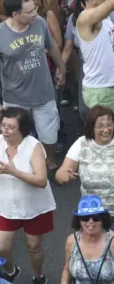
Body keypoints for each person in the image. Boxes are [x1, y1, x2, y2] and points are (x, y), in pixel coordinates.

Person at [55, 105, 114, 249]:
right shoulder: (81, 144)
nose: (106, 129)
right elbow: (60, 173)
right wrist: (64, 176)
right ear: (91, 127)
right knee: (96, 255)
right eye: (100, 126)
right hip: (92, 215)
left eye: (109, 124)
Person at [0, 0, 65, 170]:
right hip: (14, 98)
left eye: (35, 8)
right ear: (15, 15)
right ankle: (20, 167)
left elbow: (51, 47)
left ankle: (49, 162)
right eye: (29, 11)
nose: (35, 13)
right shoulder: (1, 34)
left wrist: (62, 68)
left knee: (49, 134)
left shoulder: (39, 23)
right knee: (15, 136)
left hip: (44, 93)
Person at [0, 107, 55, 284]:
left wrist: (13, 172)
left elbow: (41, 180)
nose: (5, 130)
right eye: (3, 126)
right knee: (1, 247)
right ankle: (11, 270)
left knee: (34, 247)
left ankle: (38, 276)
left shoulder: (34, 146)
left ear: (22, 129)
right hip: (6, 205)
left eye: (10, 127)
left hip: (34, 206)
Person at [60, 195, 114, 284]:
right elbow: (67, 269)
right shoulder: (72, 241)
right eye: (85, 217)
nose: (90, 221)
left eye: (95, 217)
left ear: (102, 220)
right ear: (79, 221)